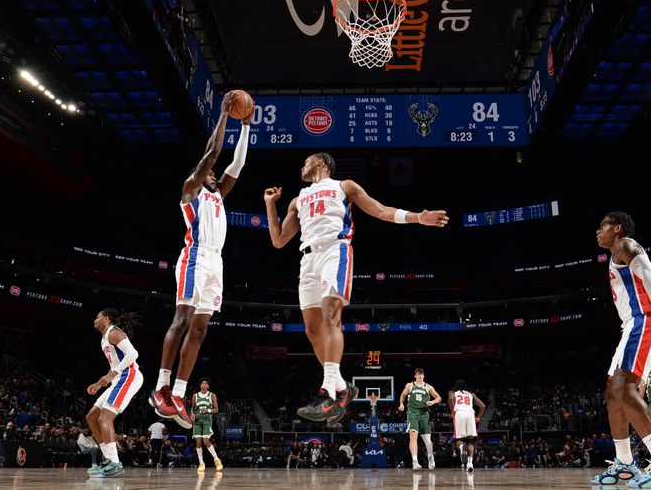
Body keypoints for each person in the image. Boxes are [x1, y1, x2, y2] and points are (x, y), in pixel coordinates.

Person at [264, 153, 448, 422]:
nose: (302, 165)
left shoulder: (344, 186)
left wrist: (418, 217)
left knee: (330, 318)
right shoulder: (297, 199)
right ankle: (343, 387)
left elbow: (380, 210)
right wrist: (270, 205)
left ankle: (327, 394)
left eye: (308, 160)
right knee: (312, 329)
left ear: (322, 163)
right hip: (308, 259)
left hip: (334, 251)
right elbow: (279, 240)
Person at [150, 91, 253, 428]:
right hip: (194, 258)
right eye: (209, 172)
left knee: (201, 328)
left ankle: (178, 393)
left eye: (214, 174)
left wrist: (247, 127)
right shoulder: (191, 188)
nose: (214, 174)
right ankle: (161, 387)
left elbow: (236, 165)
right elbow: (212, 154)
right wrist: (225, 115)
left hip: (216, 263)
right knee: (181, 319)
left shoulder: (217, 194)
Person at [590, 212, 651, 488]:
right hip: (632, 325)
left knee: (624, 387)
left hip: (646, 319)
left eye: (603, 226)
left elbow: (649, 273)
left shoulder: (625, 244)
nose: (598, 231)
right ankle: (624, 463)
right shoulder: (615, 255)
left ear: (617, 228)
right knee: (612, 392)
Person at [85, 309, 144, 478]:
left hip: (129, 375)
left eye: (97, 317)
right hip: (119, 378)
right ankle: (108, 459)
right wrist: (98, 384)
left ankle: (114, 462)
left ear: (106, 319)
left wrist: (113, 374)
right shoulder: (104, 338)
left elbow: (133, 354)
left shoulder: (114, 332)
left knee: (105, 418)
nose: (94, 320)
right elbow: (114, 367)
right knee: (91, 417)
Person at [398, 368, 442, 470]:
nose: (420, 376)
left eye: (422, 374)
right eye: (418, 374)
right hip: (412, 413)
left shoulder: (428, 387)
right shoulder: (410, 385)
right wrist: (401, 404)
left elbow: (439, 397)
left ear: (424, 376)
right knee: (413, 436)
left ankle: (430, 457)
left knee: (427, 439)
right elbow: (403, 395)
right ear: (415, 376)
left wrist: (433, 402)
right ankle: (415, 461)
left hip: (424, 414)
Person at [447, 379, 485, 473]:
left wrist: (452, 410)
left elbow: (451, 399)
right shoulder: (470, 394)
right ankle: (470, 463)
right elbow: (483, 406)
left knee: (459, 439)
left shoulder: (452, 392)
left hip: (459, 413)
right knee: (471, 441)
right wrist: (478, 417)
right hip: (470, 414)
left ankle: (461, 447)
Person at [191, 377, 223, 472]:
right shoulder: (195, 396)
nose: (204, 384)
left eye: (206, 383)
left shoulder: (212, 395)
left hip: (207, 420)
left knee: (205, 441)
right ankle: (201, 463)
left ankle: (216, 459)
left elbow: (216, 409)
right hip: (197, 420)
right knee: (198, 442)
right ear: (200, 385)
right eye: (202, 383)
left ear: (208, 386)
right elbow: (192, 408)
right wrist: (192, 414)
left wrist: (208, 410)